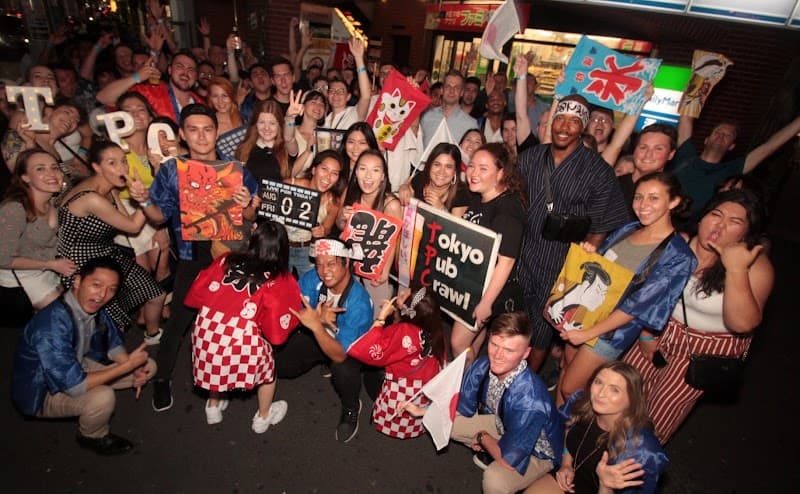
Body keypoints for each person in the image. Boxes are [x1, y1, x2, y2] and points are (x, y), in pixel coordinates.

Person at [128, 103, 260, 411]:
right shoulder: (173, 170)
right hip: (191, 254)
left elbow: (252, 216)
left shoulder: (235, 169)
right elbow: (159, 217)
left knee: (232, 321)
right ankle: (161, 379)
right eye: (193, 130)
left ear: (216, 132)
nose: (201, 137)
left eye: (208, 129)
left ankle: (229, 378)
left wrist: (245, 205)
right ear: (182, 135)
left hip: (228, 256)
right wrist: (144, 199)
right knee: (178, 323)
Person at [624, 189, 774, 444]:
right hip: (660, 328)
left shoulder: (756, 266)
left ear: (746, 233)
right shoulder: (681, 243)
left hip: (703, 350)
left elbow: (743, 323)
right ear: (703, 216)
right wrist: (647, 332)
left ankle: (631, 470)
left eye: (734, 222)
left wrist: (736, 268)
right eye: (716, 214)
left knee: (656, 418)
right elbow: (651, 291)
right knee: (622, 393)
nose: (720, 224)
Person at [555, 172, 696, 406]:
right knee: (565, 369)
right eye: (639, 197)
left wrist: (589, 333)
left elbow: (640, 305)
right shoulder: (629, 229)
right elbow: (605, 268)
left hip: (611, 332)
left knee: (573, 390)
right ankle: (553, 432)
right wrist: (591, 254)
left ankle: (576, 438)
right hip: (586, 313)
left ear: (673, 202)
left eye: (653, 198)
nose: (643, 205)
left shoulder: (678, 255)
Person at [516, 95, 630, 372]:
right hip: (522, 254)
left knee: (542, 333)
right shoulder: (530, 157)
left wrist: (580, 269)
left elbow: (601, 225)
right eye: (560, 118)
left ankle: (525, 384)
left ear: (584, 127)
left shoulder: (597, 170)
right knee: (514, 320)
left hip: (561, 264)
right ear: (552, 121)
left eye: (574, 121)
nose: (564, 126)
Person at [11, 257, 156, 455]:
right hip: (43, 389)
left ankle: (120, 378)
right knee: (102, 398)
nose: (103, 295)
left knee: (148, 365)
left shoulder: (93, 305)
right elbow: (74, 386)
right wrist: (126, 367)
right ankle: (92, 435)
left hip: (75, 365)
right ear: (78, 282)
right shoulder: (50, 326)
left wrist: (134, 367)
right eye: (96, 285)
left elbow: (112, 341)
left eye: (111, 289)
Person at [185, 221, 301, 432]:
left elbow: (197, 293)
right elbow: (277, 331)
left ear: (252, 240)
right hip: (240, 340)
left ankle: (213, 406)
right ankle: (263, 418)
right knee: (268, 372)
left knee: (215, 362)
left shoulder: (226, 259)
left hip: (205, 331)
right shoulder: (280, 279)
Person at [57, 141, 166, 341]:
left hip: (105, 253)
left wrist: (144, 197)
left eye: (123, 161)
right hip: (80, 262)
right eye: (112, 163)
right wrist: (146, 197)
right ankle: (109, 357)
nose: (122, 168)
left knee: (155, 294)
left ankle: (153, 335)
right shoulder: (92, 198)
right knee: (111, 321)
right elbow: (133, 227)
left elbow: (130, 223)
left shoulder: (110, 189)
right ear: (97, 167)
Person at [450, 311, 563, 494]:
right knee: (449, 423)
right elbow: (460, 407)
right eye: (494, 344)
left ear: (526, 353)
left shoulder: (529, 399)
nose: (498, 355)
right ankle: (496, 446)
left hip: (537, 451)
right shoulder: (484, 365)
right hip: (504, 424)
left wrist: (482, 437)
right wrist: (425, 411)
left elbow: (509, 461)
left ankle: (535, 475)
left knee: (495, 481)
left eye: (509, 350)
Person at [278, 238, 374, 443]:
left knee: (342, 369)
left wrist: (315, 326)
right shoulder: (314, 278)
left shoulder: (359, 304)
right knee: (283, 365)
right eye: (319, 264)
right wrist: (315, 319)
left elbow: (340, 354)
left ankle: (351, 407)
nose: (324, 271)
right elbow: (293, 306)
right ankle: (322, 360)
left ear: (346, 263)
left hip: (348, 351)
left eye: (331, 264)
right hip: (319, 335)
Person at [525, 362, 669, 494]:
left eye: (614, 390)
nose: (600, 394)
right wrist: (566, 464)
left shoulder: (641, 451)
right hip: (569, 480)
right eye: (598, 382)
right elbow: (568, 427)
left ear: (632, 399)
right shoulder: (583, 403)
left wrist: (606, 486)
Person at [451, 143, 527, 362]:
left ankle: (464, 389)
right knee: (471, 343)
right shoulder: (478, 196)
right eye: (472, 166)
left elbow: (506, 262)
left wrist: (486, 302)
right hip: (474, 282)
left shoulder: (508, 210)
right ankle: (471, 382)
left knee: (457, 342)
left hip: (491, 289)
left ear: (501, 173)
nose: (474, 173)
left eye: (483, 168)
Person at [347, 285, 447, 438]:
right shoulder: (435, 328)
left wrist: (381, 319)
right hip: (426, 387)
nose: (399, 294)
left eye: (403, 295)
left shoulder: (403, 333)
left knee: (370, 376)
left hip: (403, 388)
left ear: (408, 311)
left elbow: (367, 350)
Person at [672, 113, 800, 216]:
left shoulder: (732, 169)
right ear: (706, 139)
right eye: (717, 132)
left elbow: (770, 146)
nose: (721, 136)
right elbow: (687, 117)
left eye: (728, 135)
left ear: (731, 146)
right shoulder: (686, 155)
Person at [0, 149, 75, 309]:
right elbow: (2, 259)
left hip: (48, 269)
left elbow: (70, 183)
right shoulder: (14, 209)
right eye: (40, 169)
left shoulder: (54, 200)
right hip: (21, 277)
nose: (51, 173)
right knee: (64, 316)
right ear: (25, 177)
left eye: (54, 168)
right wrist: (50, 264)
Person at [336, 150, 402, 315]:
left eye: (375, 170)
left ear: (383, 176)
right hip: (349, 263)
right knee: (348, 310)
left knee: (376, 316)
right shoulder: (350, 193)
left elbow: (394, 240)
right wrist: (343, 217)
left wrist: (385, 270)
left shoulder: (391, 204)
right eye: (363, 169)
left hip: (374, 267)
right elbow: (338, 225)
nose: (368, 176)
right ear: (356, 172)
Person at [96, 50, 204, 124]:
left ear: (196, 76)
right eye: (179, 67)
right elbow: (103, 97)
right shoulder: (149, 92)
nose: (185, 73)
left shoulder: (202, 104)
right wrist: (136, 77)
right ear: (170, 70)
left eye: (191, 69)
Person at [284, 149, 346, 277]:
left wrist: (322, 231)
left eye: (334, 173)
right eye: (324, 169)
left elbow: (327, 228)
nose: (328, 177)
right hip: (281, 247)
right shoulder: (291, 185)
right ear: (313, 170)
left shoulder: (333, 202)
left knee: (309, 289)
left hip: (307, 251)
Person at [398, 142, 472, 217]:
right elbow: (405, 195)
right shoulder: (420, 178)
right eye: (437, 165)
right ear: (430, 165)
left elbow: (458, 228)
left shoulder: (462, 194)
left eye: (448, 167)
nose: (441, 171)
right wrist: (403, 188)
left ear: (455, 171)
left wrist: (441, 209)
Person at [236, 99, 296, 183]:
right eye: (262, 122)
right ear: (255, 124)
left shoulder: (285, 148)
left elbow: (289, 138)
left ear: (279, 125)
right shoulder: (243, 148)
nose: (266, 128)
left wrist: (290, 118)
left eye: (272, 123)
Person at [322, 39, 371, 131]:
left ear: (348, 97)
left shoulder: (353, 113)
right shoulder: (324, 119)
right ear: (328, 95)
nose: (336, 94)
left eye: (341, 91)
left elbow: (366, 96)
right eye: (332, 91)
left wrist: (358, 58)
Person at [421, 70, 478, 147]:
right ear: (442, 90)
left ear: (462, 92)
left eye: (456, 87)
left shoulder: (470, 124)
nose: (452, 91)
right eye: (448, 86)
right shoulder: (427, 116)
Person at [288, 89, 328, 177]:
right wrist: (308, 151)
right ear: (303, 106)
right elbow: (288, 174)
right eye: (313, 102)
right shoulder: (291, 132)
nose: (318, 106)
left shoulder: (327, 135)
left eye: (322, 104)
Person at [207, 77, 246, 160]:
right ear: (210, 98)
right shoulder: (209, 126)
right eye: (215, 96)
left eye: (224, 96)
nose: (220, 101)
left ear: (231, 96)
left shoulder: (245, 118)